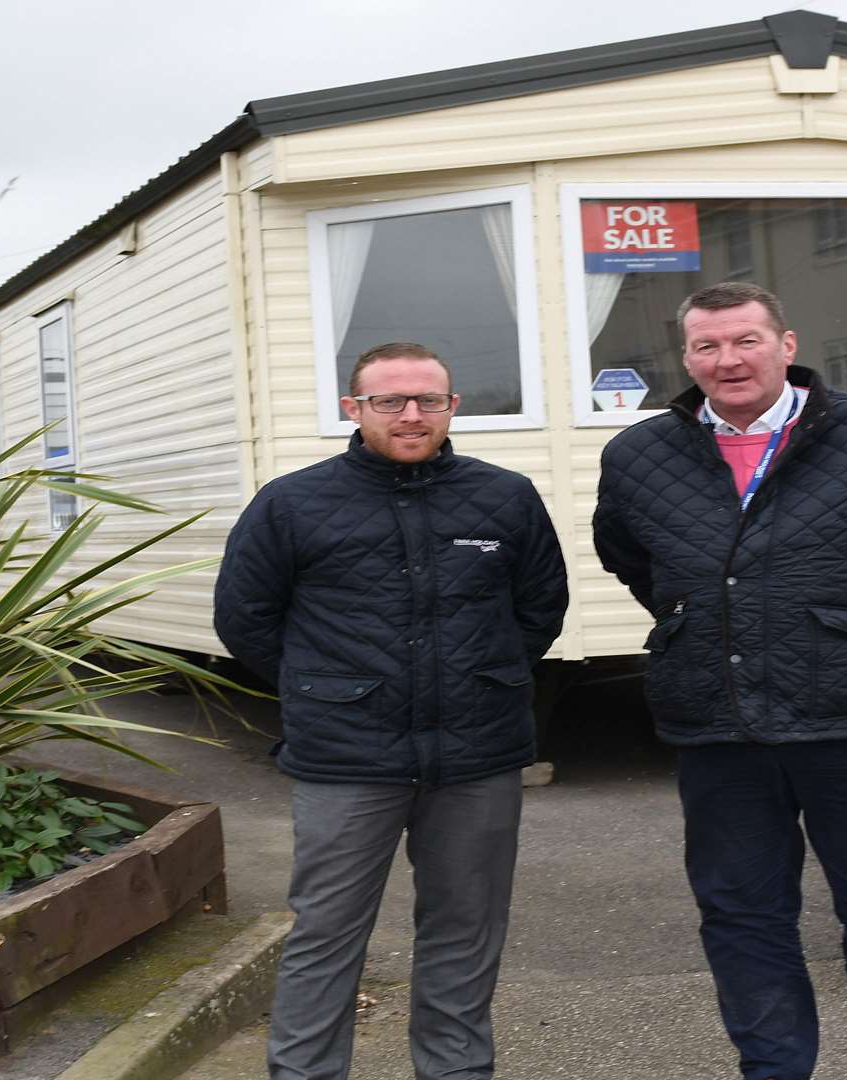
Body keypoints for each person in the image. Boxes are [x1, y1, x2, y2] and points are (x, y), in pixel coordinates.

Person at [591, 282, 847, 1080]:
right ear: (687, 356)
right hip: (718, 720)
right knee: (741, 916)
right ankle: (774, 1069)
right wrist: (712, 627)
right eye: (707, 346)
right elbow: (635, 560)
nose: (727, 360)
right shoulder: (637, 456)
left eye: (745, 341)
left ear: (786, 344)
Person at [214, 341, 568, 1080]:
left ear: (452, 407)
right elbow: (246, 620)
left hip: (478, 758)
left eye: (428, 400)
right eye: (389, 401)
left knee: (466, 933)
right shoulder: (292, 503)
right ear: (354, 408)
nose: (411, 415)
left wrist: (477, 679)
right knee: (327, 935)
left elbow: (539, 611)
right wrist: (326, 687)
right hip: (346, 762)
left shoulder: (505, 498)